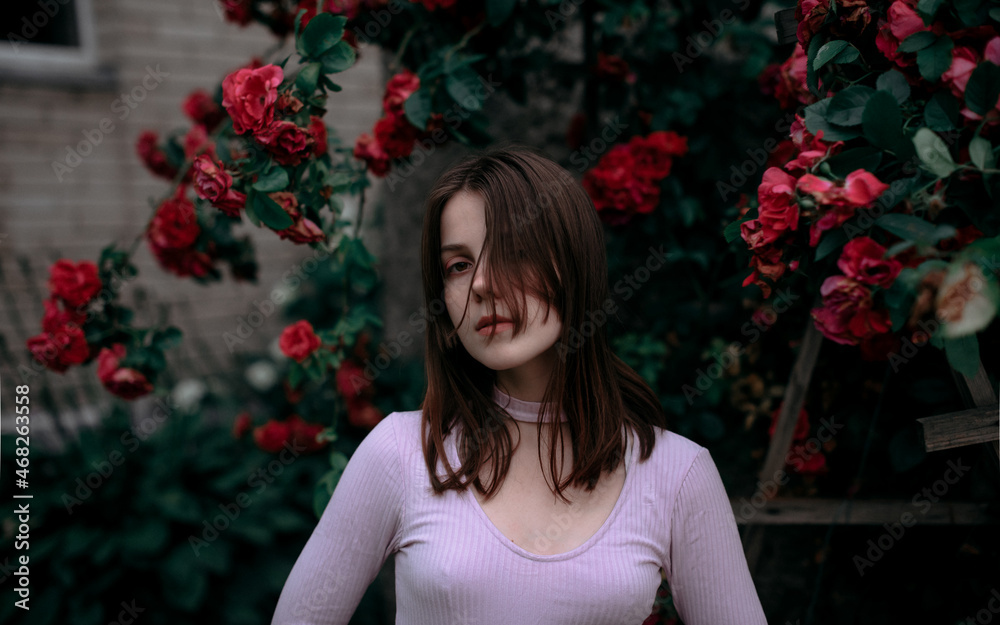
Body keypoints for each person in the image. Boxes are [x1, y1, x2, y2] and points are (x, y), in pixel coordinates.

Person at [270, 146, 768, 625]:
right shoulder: (400, 453)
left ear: (573, 264)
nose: (481, 284)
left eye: (512, 251)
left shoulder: (676, 474)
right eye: (458, 265)